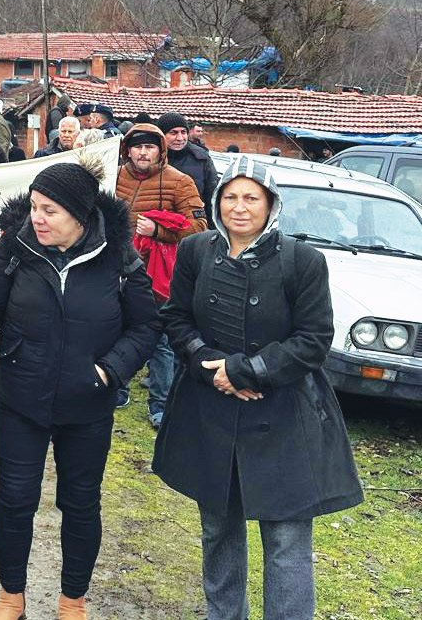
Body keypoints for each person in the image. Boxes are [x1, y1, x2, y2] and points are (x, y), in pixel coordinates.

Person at [0, 157, 159, 620]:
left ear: (79, 215)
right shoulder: (16, 247)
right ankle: (11, 597)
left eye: (49, 211)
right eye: (35, 206)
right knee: (15, 498)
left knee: (80, 502)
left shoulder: (118, 256)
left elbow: (144, 328)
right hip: (21, 397)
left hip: (88, 403)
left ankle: (72, 600)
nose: (37, 217)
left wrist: (108, 372)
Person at [153, 158, 363, 620]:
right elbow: (176, 317)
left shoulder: (302, 261)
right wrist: (214, 370)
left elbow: (313, 340)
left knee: (286, 539)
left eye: (252, 198)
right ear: (217, 201)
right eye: (230, 196)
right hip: (212, 412)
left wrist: (249, 372)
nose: (239, 207)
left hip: (283, 415)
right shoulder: (195, 252)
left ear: (270, 205)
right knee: (219, 529)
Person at [113, 123, 207, 423]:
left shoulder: (180, 182)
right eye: (137, 146)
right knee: (116, 331)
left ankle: (160, 404)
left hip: (159, 276)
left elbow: (200, 227)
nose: (143, 152)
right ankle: (117, 388)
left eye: (149, 147)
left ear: (160, 150)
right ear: (128, 149)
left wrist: (160, 230)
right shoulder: (113, 175)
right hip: (117, 268)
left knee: (162, 342)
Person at [157, 112, 219, 227]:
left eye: (183, 132)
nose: (180, 138)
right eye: (173, 133)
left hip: (192, 228)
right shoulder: (153, 158)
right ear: (162, 135)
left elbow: (212, 198)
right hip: (157, 228)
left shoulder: (201, 158)